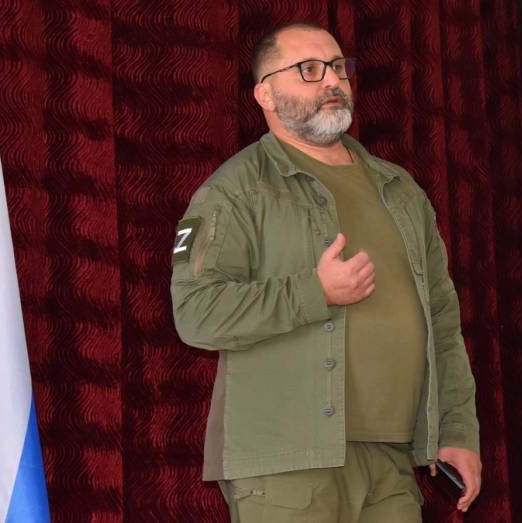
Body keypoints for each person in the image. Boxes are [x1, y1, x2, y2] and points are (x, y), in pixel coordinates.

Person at [170, 22, 481, 522]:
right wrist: (314, 292)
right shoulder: (234, 190)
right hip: (286, 463)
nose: (333, 81)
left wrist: (457, 430)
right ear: (265, 94)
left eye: (338, 67)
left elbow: (442, 324)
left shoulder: (400, 189)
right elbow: (196, 312)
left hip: (392, 459)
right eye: (309, 70)